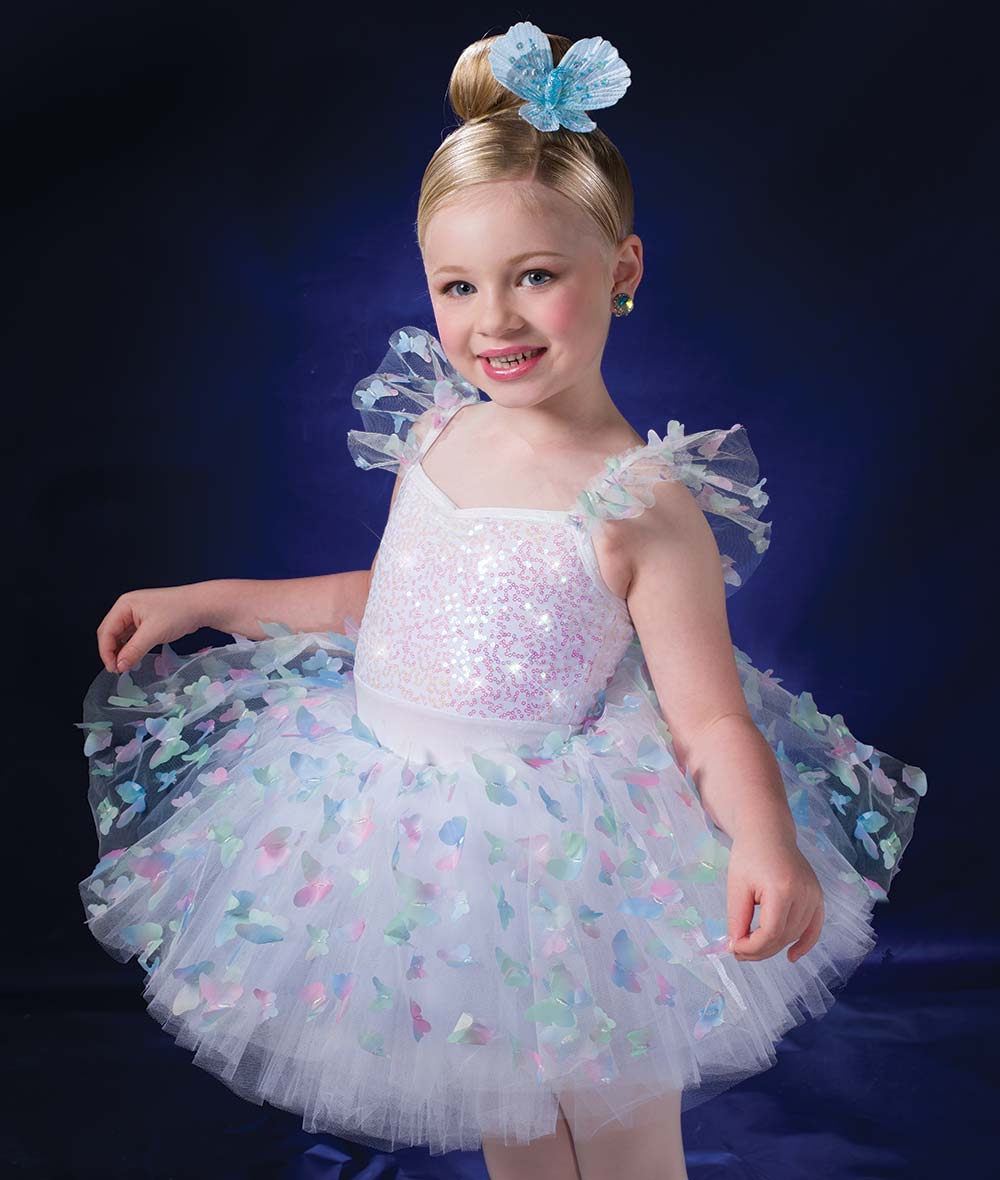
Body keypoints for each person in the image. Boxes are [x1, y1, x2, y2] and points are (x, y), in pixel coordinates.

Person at [76, 21, 928, 1180]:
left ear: (621, 269)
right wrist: (209, 596)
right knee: (505, 1109)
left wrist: (765, 841)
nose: (495, 321)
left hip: (564, 857)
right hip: (411, 838)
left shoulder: (640, 502)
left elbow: (708, 719)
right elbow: (388, 599)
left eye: (536, 276)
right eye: (459, 286)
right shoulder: (441, 427)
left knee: (615, 1127)